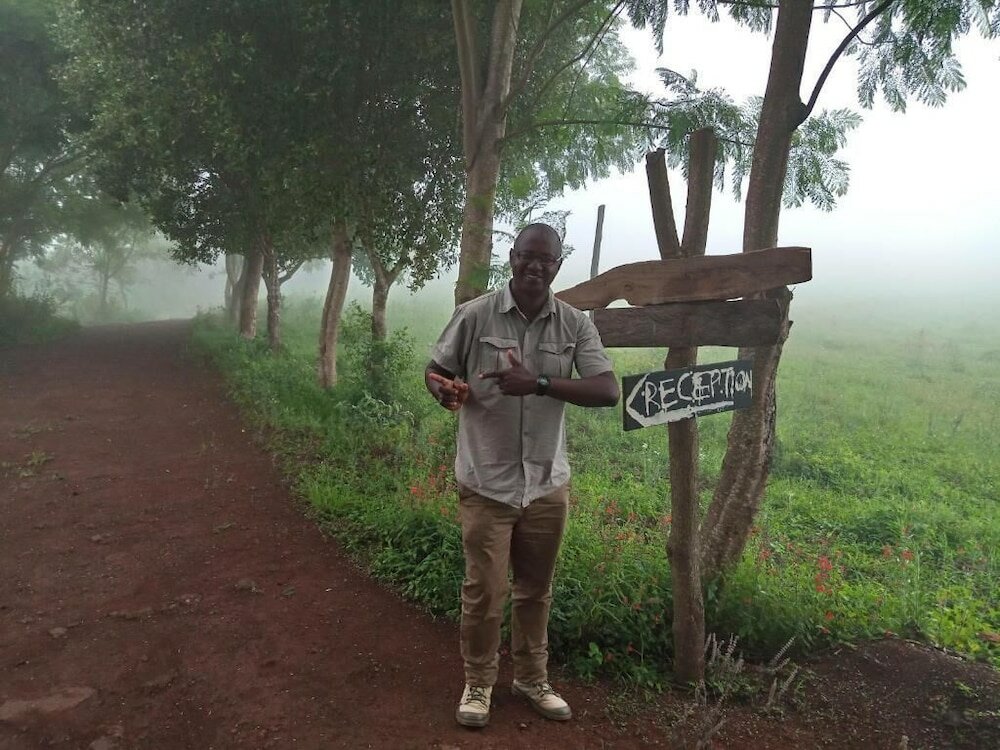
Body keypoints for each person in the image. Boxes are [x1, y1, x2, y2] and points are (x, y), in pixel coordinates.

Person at [425, 223, 619, 728]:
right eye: (526, 257)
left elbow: (606, 390)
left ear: (558, 265)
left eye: (546, 260)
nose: (535, 267)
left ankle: (533, 679)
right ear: (511, 258)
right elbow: (435, 369)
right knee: (486, 592)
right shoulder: (474, 315)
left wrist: (538, 382)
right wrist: (444, 390)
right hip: (486, 482)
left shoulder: (575, 324)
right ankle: (478, 683)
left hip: (546, 485)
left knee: (536, 589)